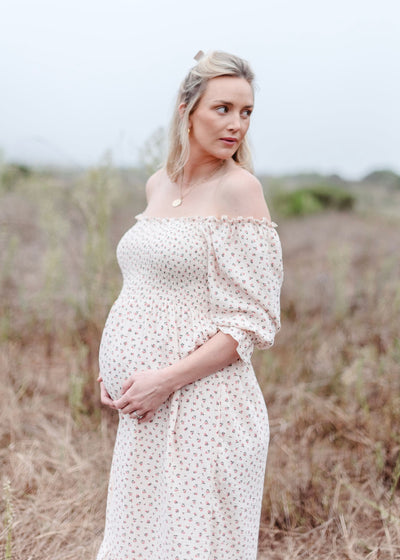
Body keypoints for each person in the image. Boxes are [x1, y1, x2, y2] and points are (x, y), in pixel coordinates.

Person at [96, 50, 283, 560]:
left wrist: (163, 379)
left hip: (206, 410)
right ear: (186, 109)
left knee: (194, 547)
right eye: (222, 109)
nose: (236, 125)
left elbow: (252, 323)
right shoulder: (159, 183)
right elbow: (142, 288)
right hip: (145, 412)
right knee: (138, 544)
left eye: (246, 113)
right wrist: (115, 366)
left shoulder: (240, 189)